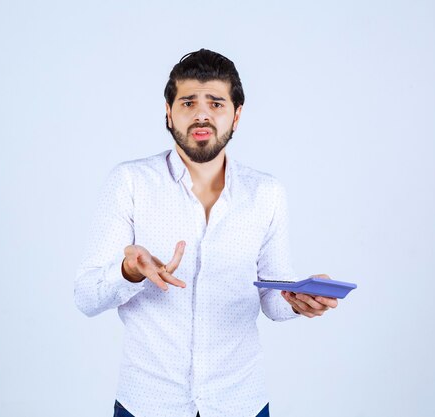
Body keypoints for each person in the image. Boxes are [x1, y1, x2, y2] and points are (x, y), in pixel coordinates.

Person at [74, 48, 339, 417]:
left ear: (237, 115)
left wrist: (299, 299)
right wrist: (128, 272)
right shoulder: (129, 183)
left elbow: (274, 299)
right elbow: (86, 296)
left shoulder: (266, 193)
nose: (201, 114)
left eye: (216, 103)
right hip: (147, 403)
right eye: (187, 103)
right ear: (168, 113)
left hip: (240, 402)